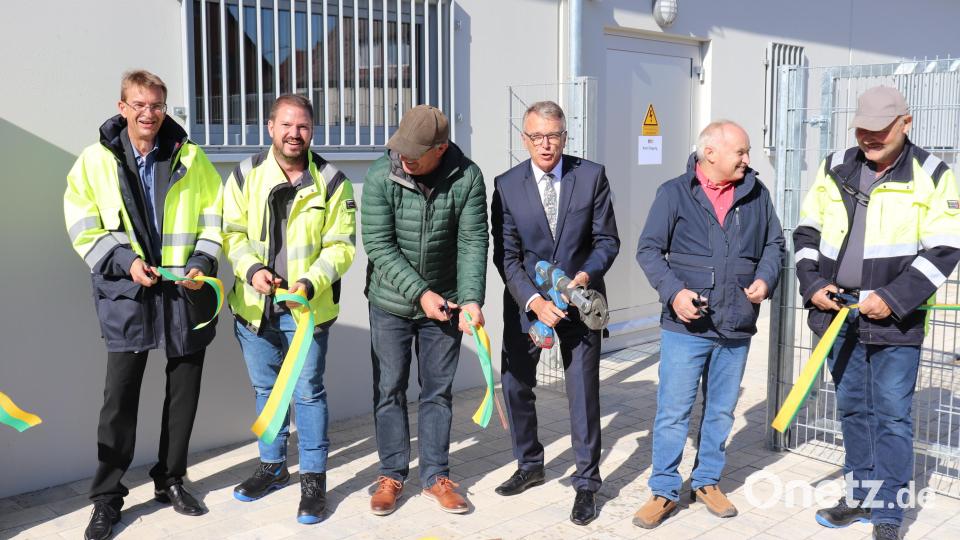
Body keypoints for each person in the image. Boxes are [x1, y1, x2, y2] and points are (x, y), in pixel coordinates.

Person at [794, 86, 960, 540]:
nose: (869, 140)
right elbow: (807, 230)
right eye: (862, 131)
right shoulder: (835, 166)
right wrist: (812, 284)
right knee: (851, 408)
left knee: (891, 414)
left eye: (879, 132)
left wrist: (892, 296)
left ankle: (888, 512)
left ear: (905, 123)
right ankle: (859, 495)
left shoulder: (933, 174)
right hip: (838, 316)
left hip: (895, 321)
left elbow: (944, 249)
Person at [64, 70, 222, 540]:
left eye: (157, 105)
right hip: (128, 294)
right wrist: (125, 262)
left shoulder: (192, 158)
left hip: (183, 294)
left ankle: (171, 480)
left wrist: (201, 262)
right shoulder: (93, 162)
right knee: (119, 402)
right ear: (122, 107)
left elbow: (216, 217)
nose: (149, 113)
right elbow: (82, 225)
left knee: (183, 394)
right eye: (140, 104)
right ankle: (106, 498)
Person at [634, 120, 784, 528]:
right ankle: (664, 489)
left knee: (720, 411)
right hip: (687, 327)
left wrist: (765, 279)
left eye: (747, 152)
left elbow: (774, 244)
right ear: (710, 153)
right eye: (741, 152)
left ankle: (706, 482)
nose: (747, 160)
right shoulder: (675, 193)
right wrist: (674, 292)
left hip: (736, 323)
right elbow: (648, 250)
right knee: (673, 412)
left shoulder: (756, 194)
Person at [222, 94, 356, 524]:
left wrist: (308, 282)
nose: (293, 134)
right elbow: (232, 234)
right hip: (254, 307)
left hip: (306, 310)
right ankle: (273, 466)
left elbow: (342, 247)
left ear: (312, 130)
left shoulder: (333, 181)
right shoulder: (244, 175)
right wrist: (252, 270)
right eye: (285, 125)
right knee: (266, 391)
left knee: (308, 393)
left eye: (302, 126)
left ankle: (313, 478)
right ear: (269, 127)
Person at [491, 100, 620, 526]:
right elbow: (507, 256)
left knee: (583, 395)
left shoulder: (591, 176)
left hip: (581, 304)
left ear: (566, 136)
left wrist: (582, 279)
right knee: (514, 385)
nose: (547, 145)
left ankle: (586, 483)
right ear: (523, 139)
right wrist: (534, 301)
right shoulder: (507, 185)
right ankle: (529, 464)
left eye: (554, 135)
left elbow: (607, 241)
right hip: (530, 306)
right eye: (537, 136)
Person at [361, 104, 488, 516]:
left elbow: (473, 242)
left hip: (446, 303)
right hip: (391, 303)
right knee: (389, 389)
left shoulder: (467, 177)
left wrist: (470, 300)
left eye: (415, 152)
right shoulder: (382, 175)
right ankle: (391, 474)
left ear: (441, 148)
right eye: (401, 149)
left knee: (437, 392)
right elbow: (379, 245)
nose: (405, 158)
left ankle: (435, 476)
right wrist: (420, 294)